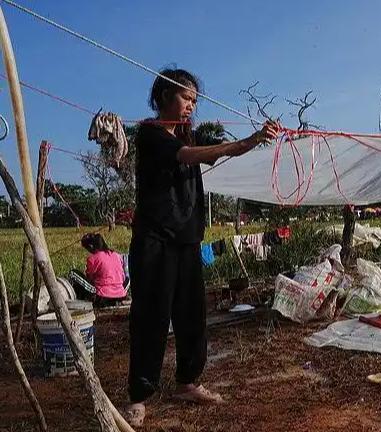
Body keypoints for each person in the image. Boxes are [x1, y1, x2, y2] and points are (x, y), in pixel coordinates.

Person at [124, 69, 279, 427]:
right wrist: (247, 141)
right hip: (155, 240)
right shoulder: (151, 134)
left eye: (195, 100)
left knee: (192, 315)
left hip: (187, 239)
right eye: (186, 97)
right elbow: (189, 156)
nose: (191, 105)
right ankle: (139, 396)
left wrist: (254, 139)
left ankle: (188, 382)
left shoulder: (186, 137)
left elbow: (214, 152)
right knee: (151, 317)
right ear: (165, 96)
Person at [69, 233, 127, 308]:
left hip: (103, 295)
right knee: (126, 279)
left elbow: (90, 278)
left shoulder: (93, 258)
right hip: (120, 294)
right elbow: (122, 276)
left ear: (91, 246)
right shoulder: (116, 255)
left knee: (73, 273)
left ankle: (76, 297)